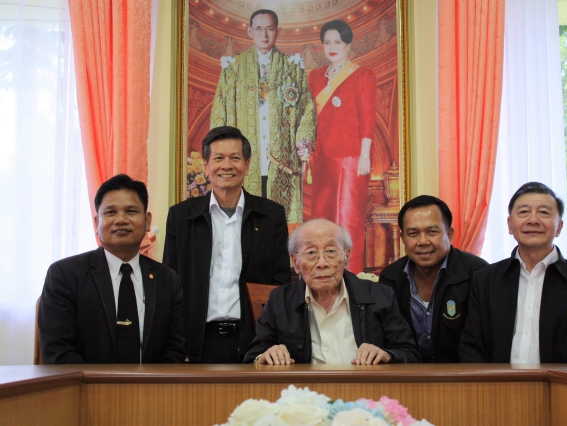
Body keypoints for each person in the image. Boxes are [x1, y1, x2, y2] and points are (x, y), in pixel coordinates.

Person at [163, 126, 290, 363]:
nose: (227, 166)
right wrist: (175, 345)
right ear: (206, 165)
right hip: (195, 344)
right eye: (219, 158)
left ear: (247, 165)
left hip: (254, 342)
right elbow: (170, 283)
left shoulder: (270, 216)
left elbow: (279, 285)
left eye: (235, 158)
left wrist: (270, 340)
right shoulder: (181, 217)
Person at [38, 175, 186, 364]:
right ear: (96, 223)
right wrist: (98, 384)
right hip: (84, 383)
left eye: (131, 211)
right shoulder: (64, 275)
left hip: (150, 383)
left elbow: (175, 350)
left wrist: (150, 383)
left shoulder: (167, 280)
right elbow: (58, 351)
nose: (121, 220)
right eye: (110, 212)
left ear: (147, 221)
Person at [459, 182, 567, 363]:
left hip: (560, 382)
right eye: (523, 212)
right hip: (497, 381)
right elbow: (472, 347)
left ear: (559, 227)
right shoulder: (485, 280)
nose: (533, 220)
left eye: (544, 212)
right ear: (509, 224)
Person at [244, 218, 420, 365]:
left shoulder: (379, 295)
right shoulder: (280, 301)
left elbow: (410, 353)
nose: (322, 263)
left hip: (364, 391)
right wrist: (265, 356)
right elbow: (253, 357)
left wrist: (387, 355)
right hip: (304, 393)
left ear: (346, 257)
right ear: (296, 262)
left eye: (330, 251)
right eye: (311, 253)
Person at [210, 9, 316, 227]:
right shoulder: (233, 68)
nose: (264, 35)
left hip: (282, 157)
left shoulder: (292, 67)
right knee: (247, 221)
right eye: (258, 29)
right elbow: (220, 112)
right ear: (250, 31)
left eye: (269, 29)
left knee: (278, 223)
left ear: (277, 31)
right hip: (246, 157)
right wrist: (221, 153)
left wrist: (303, 140)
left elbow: (306, 108)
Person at [379, 196, 488, 362]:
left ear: (449, 234)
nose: (423, 241)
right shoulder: (391, 277)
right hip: (407, 374)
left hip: (464, 373)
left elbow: (483, 340)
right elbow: (390, 339)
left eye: (432, 232)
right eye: (413, 234)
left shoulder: (477, 273)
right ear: (403, 239)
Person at [308, 20, 377, 274]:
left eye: (337, 41)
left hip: (350, 158)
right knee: (322, 217)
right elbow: (309, 118)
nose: (332, 47)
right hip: (322, 157)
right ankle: (321, 272)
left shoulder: (362, 75)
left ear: (348, 43)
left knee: (348, 218)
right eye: (327, 42)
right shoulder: (315, 76)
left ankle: (350, 274)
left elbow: (367, 117)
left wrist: (364, 155)